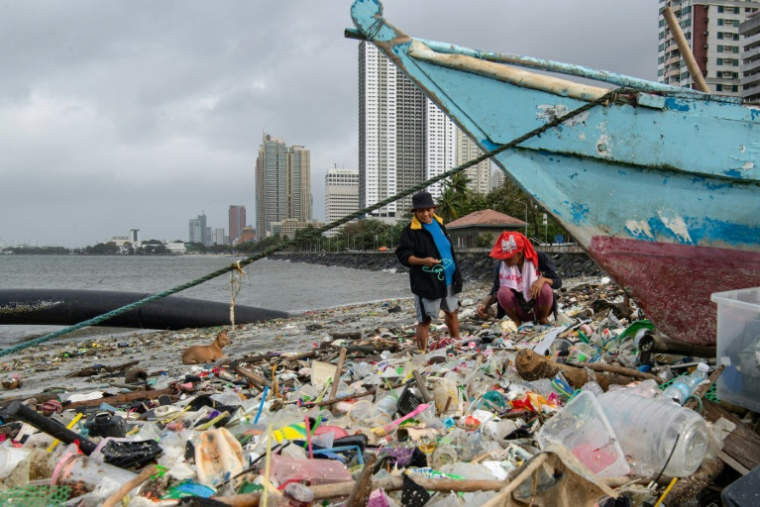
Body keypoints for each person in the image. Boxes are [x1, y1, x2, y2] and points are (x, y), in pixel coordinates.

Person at [396, 191, 462, 351]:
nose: (425, 214)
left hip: (448, 281)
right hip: (427, 284)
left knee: (452, 313)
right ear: (415, 212)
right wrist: (423, 261)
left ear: (433, 208)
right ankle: (421, 354)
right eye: (421, 211)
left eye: (428, 209)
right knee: (425, 321)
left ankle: (457, 345)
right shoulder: (410, 231)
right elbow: (404, 256)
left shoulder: (440, 225)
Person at [476, 231, 562, 326]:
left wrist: (543, 280)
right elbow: (495, 290)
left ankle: (543, 319)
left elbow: (558, 282)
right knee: (502, 291)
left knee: (545, 288)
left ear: (519, 254)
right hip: (518, 310)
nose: (505, 261)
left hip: (539, 308)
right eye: (503, 258)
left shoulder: (540, 259)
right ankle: (516, 321)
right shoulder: (502, 265)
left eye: (508, 258)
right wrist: (484, 305)